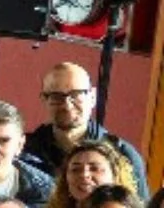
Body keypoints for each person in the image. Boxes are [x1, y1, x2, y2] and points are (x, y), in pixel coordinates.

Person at [28, 60, 148, 199]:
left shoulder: (122, 154)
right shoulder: (24, 152)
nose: (67, 105)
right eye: (56, 97)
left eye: (76, 94)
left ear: (92, 97)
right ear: (44, 100)